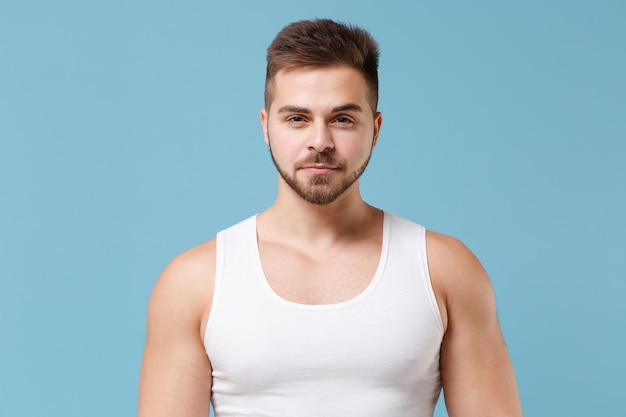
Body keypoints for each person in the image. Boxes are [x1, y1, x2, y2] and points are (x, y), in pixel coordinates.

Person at [138, 19, 523, 417]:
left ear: (374, 129)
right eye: (296, 118)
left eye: (342, 119)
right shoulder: (194, 282)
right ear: (265, 126)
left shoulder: (445, 270)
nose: (319, 142)